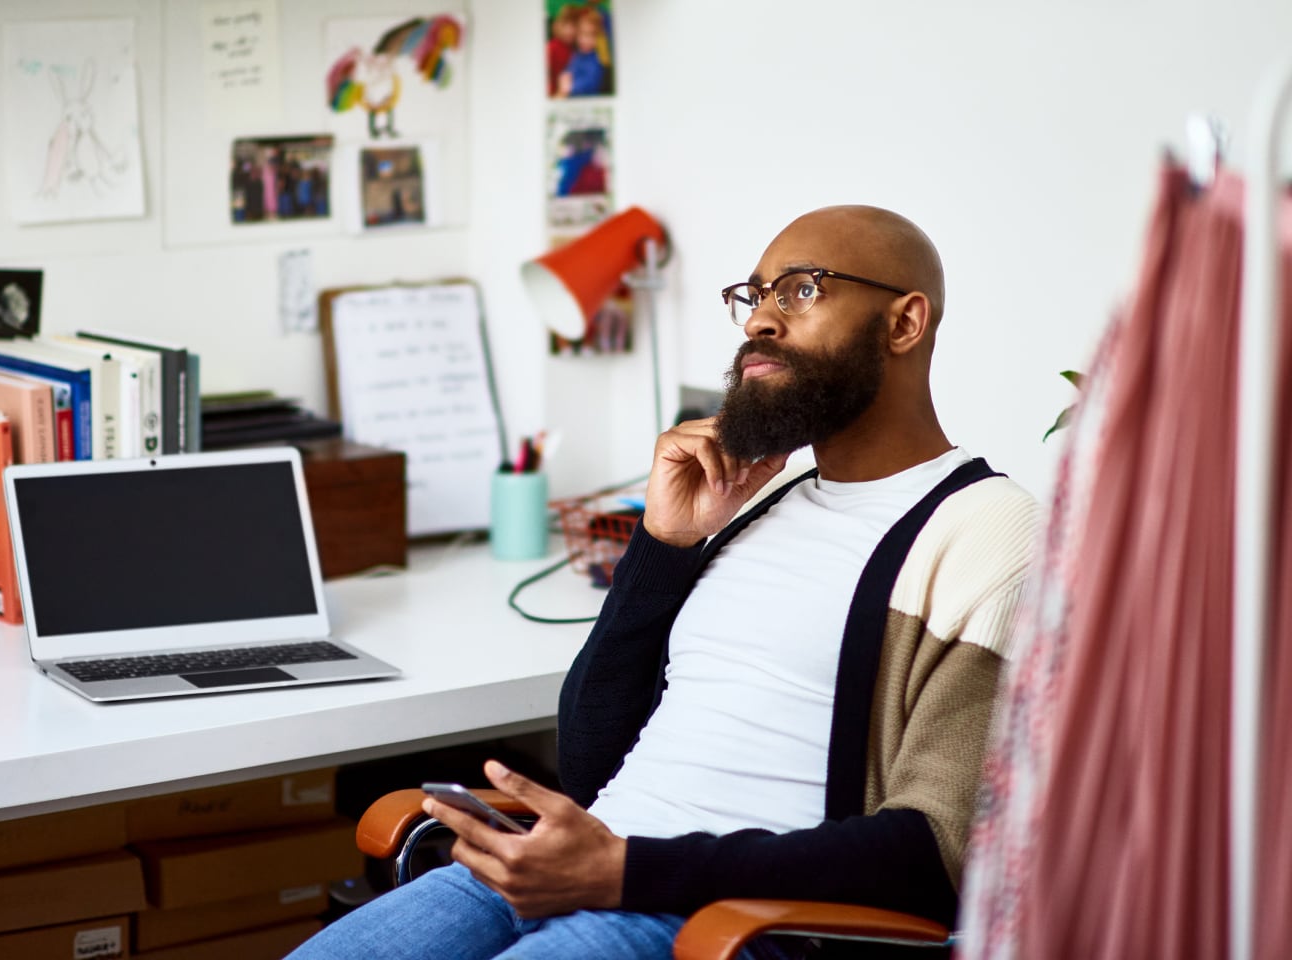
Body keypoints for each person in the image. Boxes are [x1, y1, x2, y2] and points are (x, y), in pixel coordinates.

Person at [284, 205, 1040, 959]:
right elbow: (591, 764)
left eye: (801, 291)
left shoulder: (990, 531)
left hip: (723, 918)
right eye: (754, 295)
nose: (759, 323)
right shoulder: (768, 505)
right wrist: (661, 544)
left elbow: (935, 850)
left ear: (904, 324)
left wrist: (626, 872)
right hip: (575, 867)